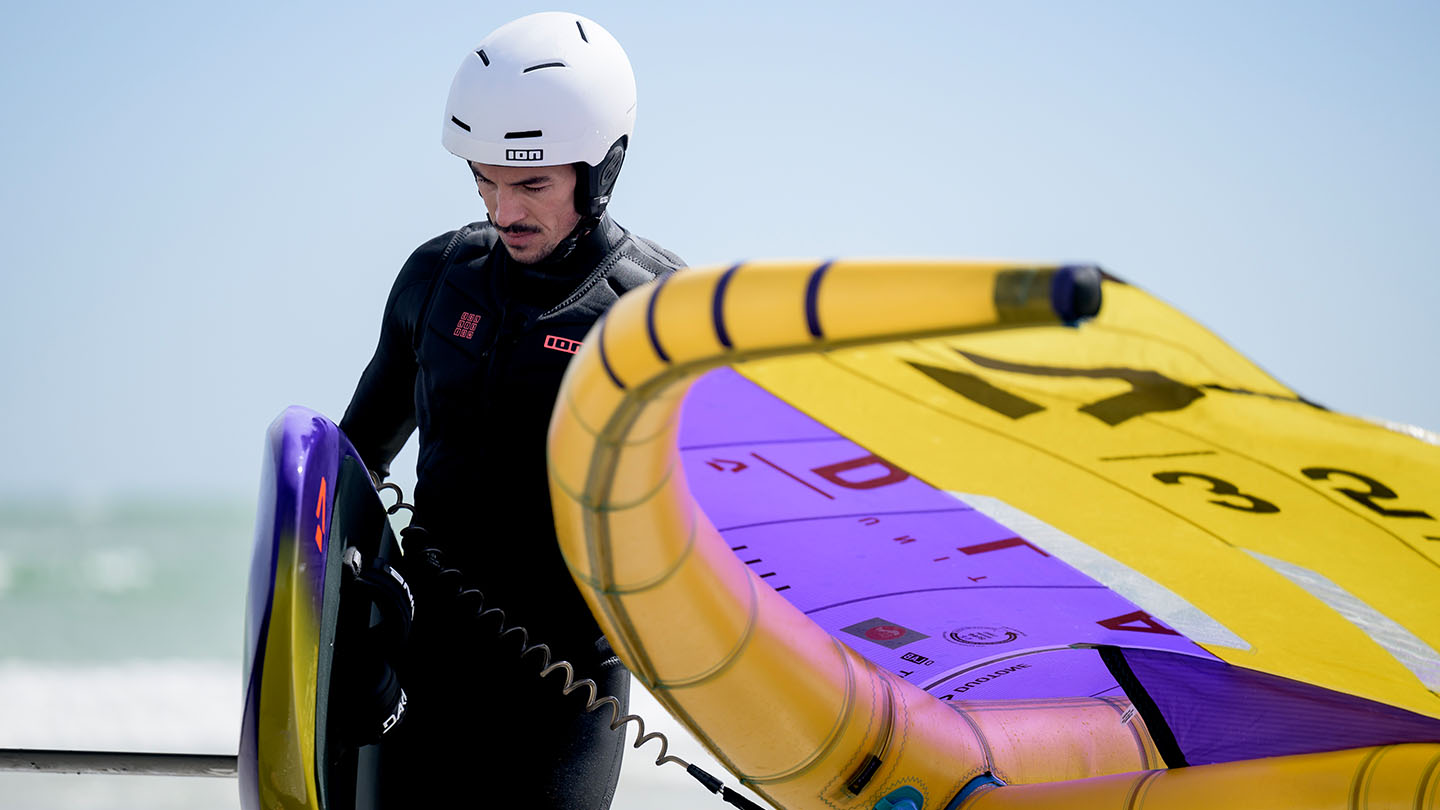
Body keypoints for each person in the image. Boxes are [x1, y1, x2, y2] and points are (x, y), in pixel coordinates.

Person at [338, 12, 685, 807]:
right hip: (421, 657)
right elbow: (355, 461)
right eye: (485, 181)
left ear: (601, 171)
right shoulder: (437, 278)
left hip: (567, 686)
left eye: (532, 184)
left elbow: (714, 521)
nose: (504, 212)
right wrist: (346, 628)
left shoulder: (657, 313)